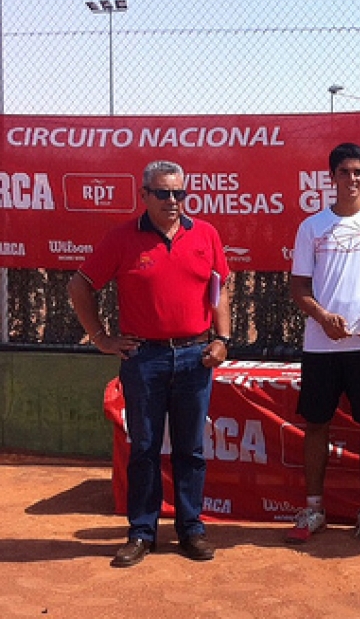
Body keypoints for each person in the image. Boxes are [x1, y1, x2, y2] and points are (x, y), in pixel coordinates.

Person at [68, 160, 231, 568]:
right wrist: (102, 338)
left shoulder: (205, 235)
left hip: (196, 356)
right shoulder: (122, 239)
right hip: (145, 360)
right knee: (143, 448)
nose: (173, 201)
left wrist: (223, 339)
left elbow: (220, 287)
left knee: (191, 449)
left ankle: (191, 528)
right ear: (144, 196)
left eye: (179, 193)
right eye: (163, 193)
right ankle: (142, 532)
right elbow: (79, 286)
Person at [286, 142, 360, 545]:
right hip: (322, 346)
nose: (351, 179)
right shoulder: (312, 227)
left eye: (358, 172)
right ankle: (314, 508)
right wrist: (322, 318)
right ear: (331, 177)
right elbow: (298, 286)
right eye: (343, 172)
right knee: (316, 424)